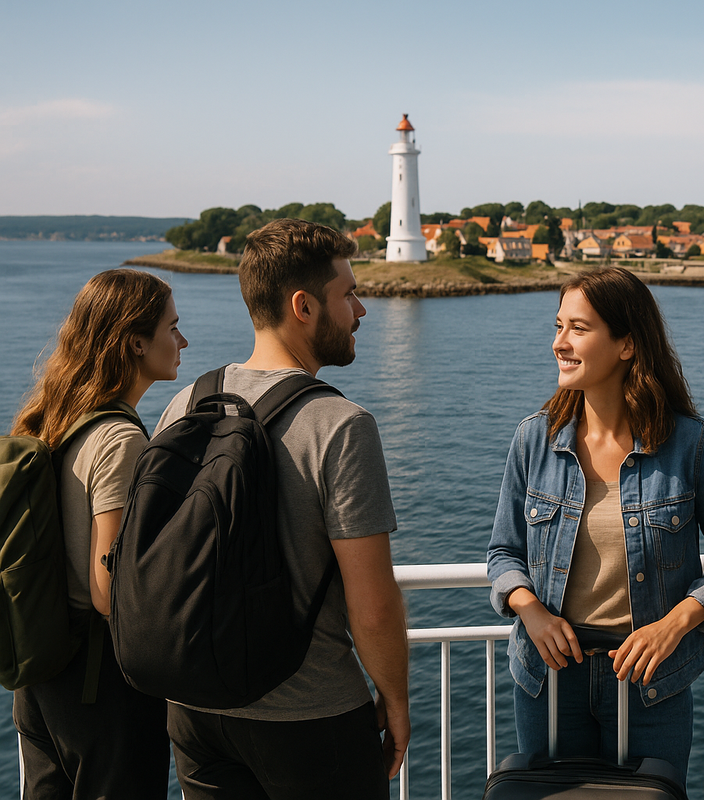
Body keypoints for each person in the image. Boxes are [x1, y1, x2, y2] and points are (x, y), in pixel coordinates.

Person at [156, 218, 410, 799]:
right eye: (348, 294)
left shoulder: (185, 405)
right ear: (304, 305)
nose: (362, 311)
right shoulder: (341, 426)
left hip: (197, 709)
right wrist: (395, 699)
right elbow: (371, 602)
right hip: (311, 714)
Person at [487, 267, 704, 780]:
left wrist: (674, 625)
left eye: (579, 329)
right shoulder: (534, 440)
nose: (560, 344)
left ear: (627, 344)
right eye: (558, 326)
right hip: (550, 679)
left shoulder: (691, 444)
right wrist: (531, 612)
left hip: (651, 680)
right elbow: (503, 552)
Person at [11, 268, 185, 799]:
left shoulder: (57, 417)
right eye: (172, 328)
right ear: (136, 341)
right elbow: (109, 589)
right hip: (99, 685)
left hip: (41, 673)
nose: (183, 340)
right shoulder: (119, 438)